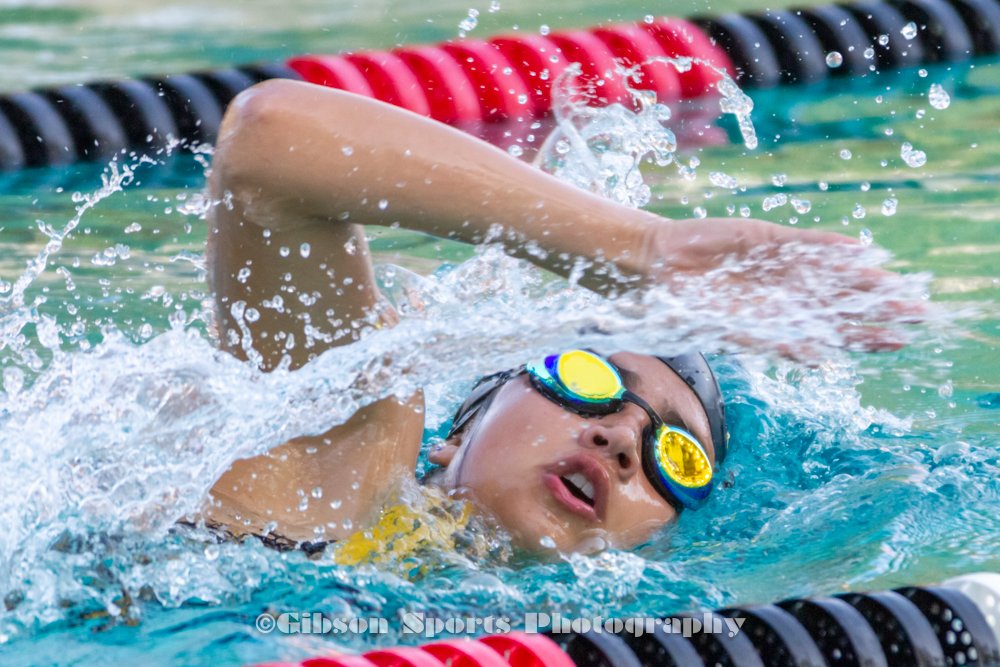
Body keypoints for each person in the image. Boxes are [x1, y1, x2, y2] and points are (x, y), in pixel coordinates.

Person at [198, 78, 912, 558]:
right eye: (588, 378)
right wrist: (638, 249)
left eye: (678, 457)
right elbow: (269, 141)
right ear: (454, 434)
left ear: (658, 544)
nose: (624, 436)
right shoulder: (348, 460)